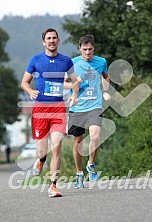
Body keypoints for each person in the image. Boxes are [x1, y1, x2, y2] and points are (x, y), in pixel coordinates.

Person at [21, 28, 78, 197]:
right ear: (43, 42)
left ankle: (53, 185)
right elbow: (24, 81)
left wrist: (74, 95)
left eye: (54, 38)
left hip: (58, 109)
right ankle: (41, 160)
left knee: (57, 146)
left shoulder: (66, 61)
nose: (52, 41)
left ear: (58, 41)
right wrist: (29, 91)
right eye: (49, 38)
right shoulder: (35, 59)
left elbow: (75, 81)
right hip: (40, 110)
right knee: (42, 151)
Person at [64, 34, 111, 189]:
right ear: (80, 49)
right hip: (77, 107)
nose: (88, 52)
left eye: (90, 49)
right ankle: (79, 173)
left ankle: (91, 165)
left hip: (94, 106)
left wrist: (105, 91)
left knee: (95, 135)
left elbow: (105, 77)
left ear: (93, 48)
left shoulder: (101, 62)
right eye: (84, 49)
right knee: (78, 142)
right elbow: (64, 83)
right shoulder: (72, 63)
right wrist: (74, 82)